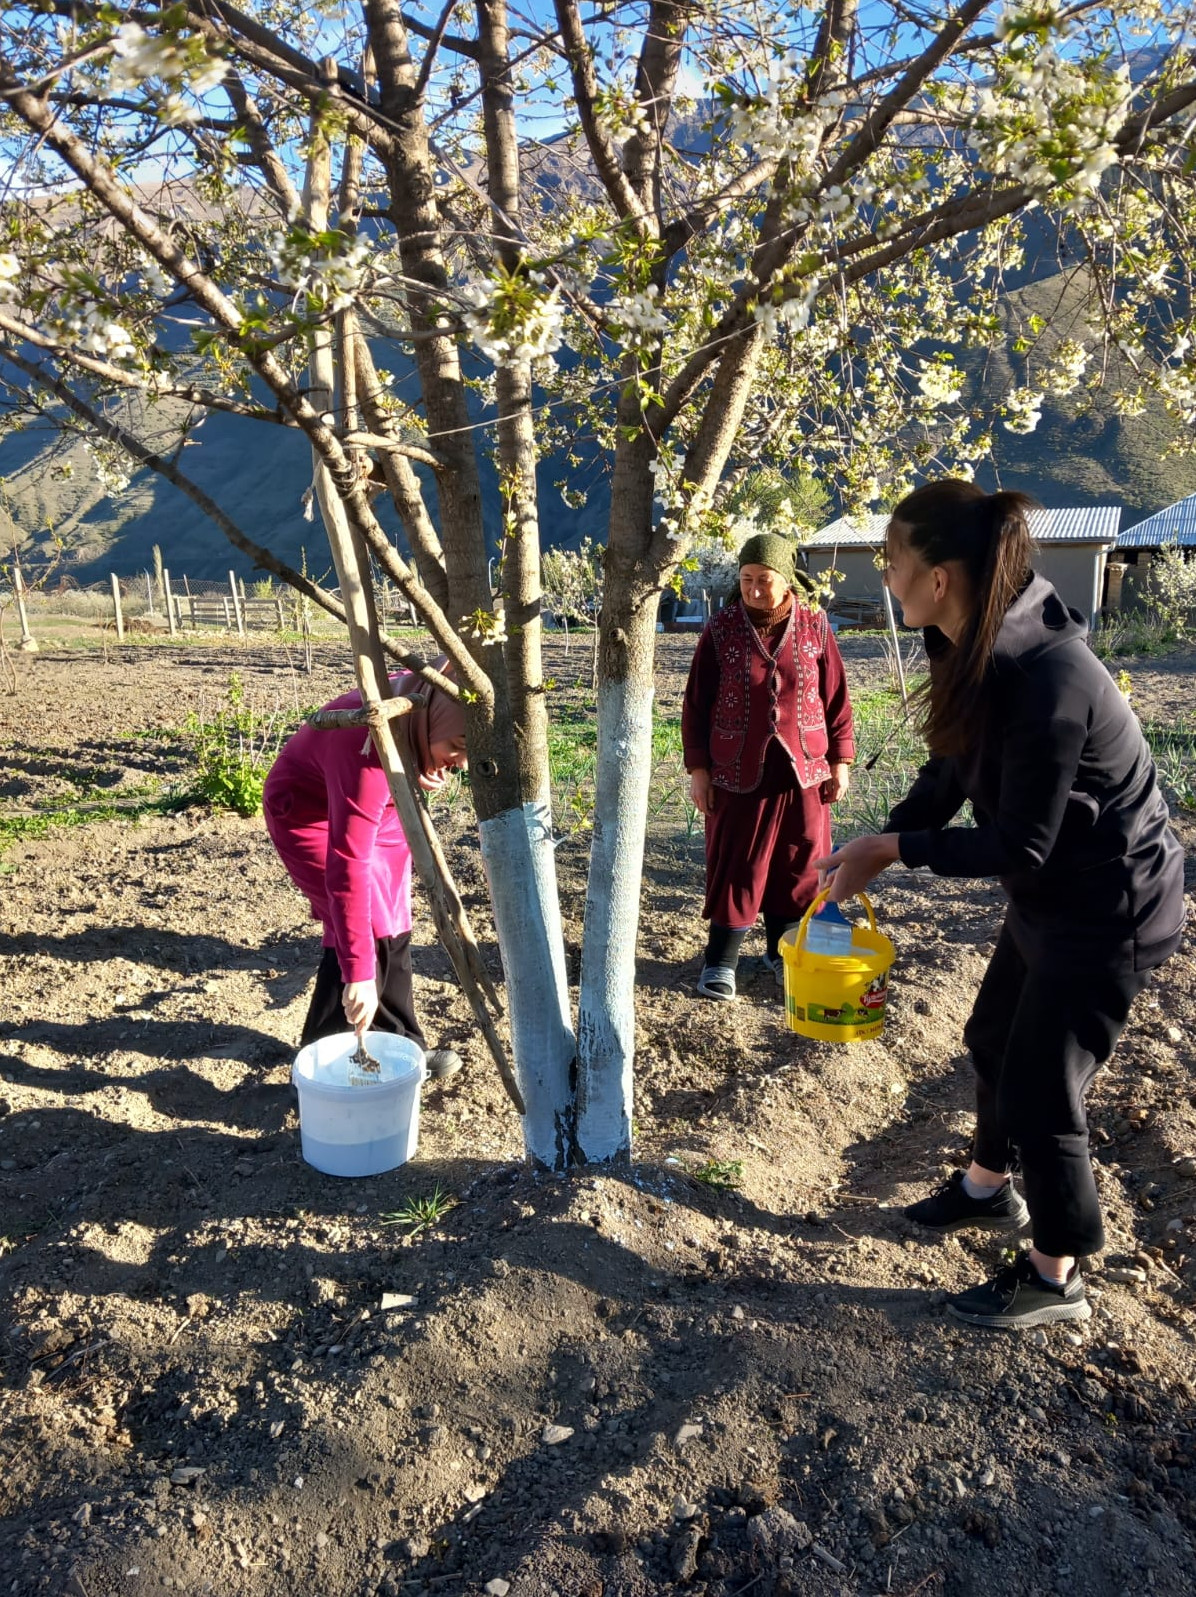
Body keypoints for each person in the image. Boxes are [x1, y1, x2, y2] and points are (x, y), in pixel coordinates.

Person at [816, 480, 1186, 1330]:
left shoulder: (1044, 677)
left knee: (1041, 1090)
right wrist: (883, 838)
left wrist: (894, 851)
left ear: (939, 576)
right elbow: (953, 767)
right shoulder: (973, 639)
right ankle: (987, 1189)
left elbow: (1022, 842)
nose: (886, 577)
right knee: (990, 1038)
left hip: (1110, 905)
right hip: (1054, 895)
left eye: (893, 562)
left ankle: (1055, 1275)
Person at [263, 667, 468, 1078]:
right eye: (457, 745)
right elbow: (348, 867)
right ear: (436, 722)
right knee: (360, 924)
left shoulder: (424, 695)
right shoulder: (369, 747)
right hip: (310, 813)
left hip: (386, 806)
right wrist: (358, 974)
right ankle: (325, 1061)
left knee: (391, 917)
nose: (460, 763)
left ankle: (401, 1042)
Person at [682, 531, 855, 1001]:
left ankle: (782, 955)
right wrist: (699, 771)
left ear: (787, 580)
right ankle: (721, 962)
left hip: (804, 768)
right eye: (746, 579)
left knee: (800, 861)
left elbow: (836, 697)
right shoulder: (721, 630)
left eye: (764, 579)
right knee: (738, 859)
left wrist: (840, 761)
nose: (754, 590)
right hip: (738, 769)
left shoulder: (816, 625)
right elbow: (696, 705)